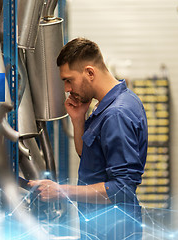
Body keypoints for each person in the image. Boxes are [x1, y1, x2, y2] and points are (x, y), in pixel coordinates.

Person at [29, 38, 148, 240]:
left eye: (69, 80)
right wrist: (78, 120)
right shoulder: (108, 106)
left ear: (90, 73)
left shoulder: (116, 114)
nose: (67, 88)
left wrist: (62, 191)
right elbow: (90, 156)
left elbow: (122, 188)